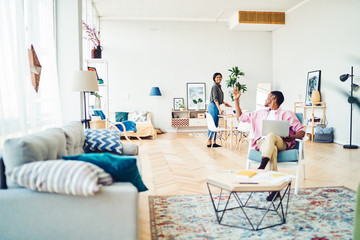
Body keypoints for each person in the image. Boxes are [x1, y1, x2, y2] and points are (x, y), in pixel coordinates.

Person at [233, 87, 305, 200]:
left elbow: (301, 131)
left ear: (273, 98)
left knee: (271, 135)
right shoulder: (259, 113)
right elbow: (240, 117)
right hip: (263, 143)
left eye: (267, 97)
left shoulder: (287, 114)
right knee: (272, 149)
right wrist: (236, 100)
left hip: (282, 143)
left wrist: (292, 137)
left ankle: (262, 166)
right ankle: (275, 190)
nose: (265, 99)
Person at [207, 72, 232, 147]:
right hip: (213, 106)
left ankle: (214, 142)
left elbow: (218, 98)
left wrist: (224, 103)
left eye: (220, 77)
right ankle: (209, 142)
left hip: (216, 106)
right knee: (212, 124)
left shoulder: (218, 86)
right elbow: (215, 99)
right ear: (214, 78)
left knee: (216, 124)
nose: (219, 79)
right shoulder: (214, 86)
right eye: (217, 77)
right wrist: (220, 109)